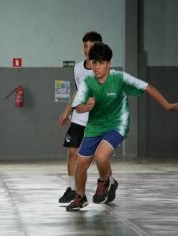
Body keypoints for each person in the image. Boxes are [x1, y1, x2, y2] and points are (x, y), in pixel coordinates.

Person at [66, 42, 178, 211]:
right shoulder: (88, 82)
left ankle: (104, 181)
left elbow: (147, 87)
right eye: (94, 63)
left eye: (101, 62)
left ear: (109, 64)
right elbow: (77, 106)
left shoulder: (120, 78)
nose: (97, 67)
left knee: (101, 156)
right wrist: (87, 107)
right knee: (81, 165)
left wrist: (166, 105)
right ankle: (80, 197)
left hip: (117, 124)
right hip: (94, 127)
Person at [58, 31, 119, 205]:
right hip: (79, 118)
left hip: (98, 121)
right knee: (72, 153)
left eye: (91, 46)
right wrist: (67, 110)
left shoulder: (104, 68)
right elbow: (78, 92)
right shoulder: (77, 68)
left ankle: (110, 182)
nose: (87, 50)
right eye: (85, 46)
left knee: (101, 157)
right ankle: (72, 189)